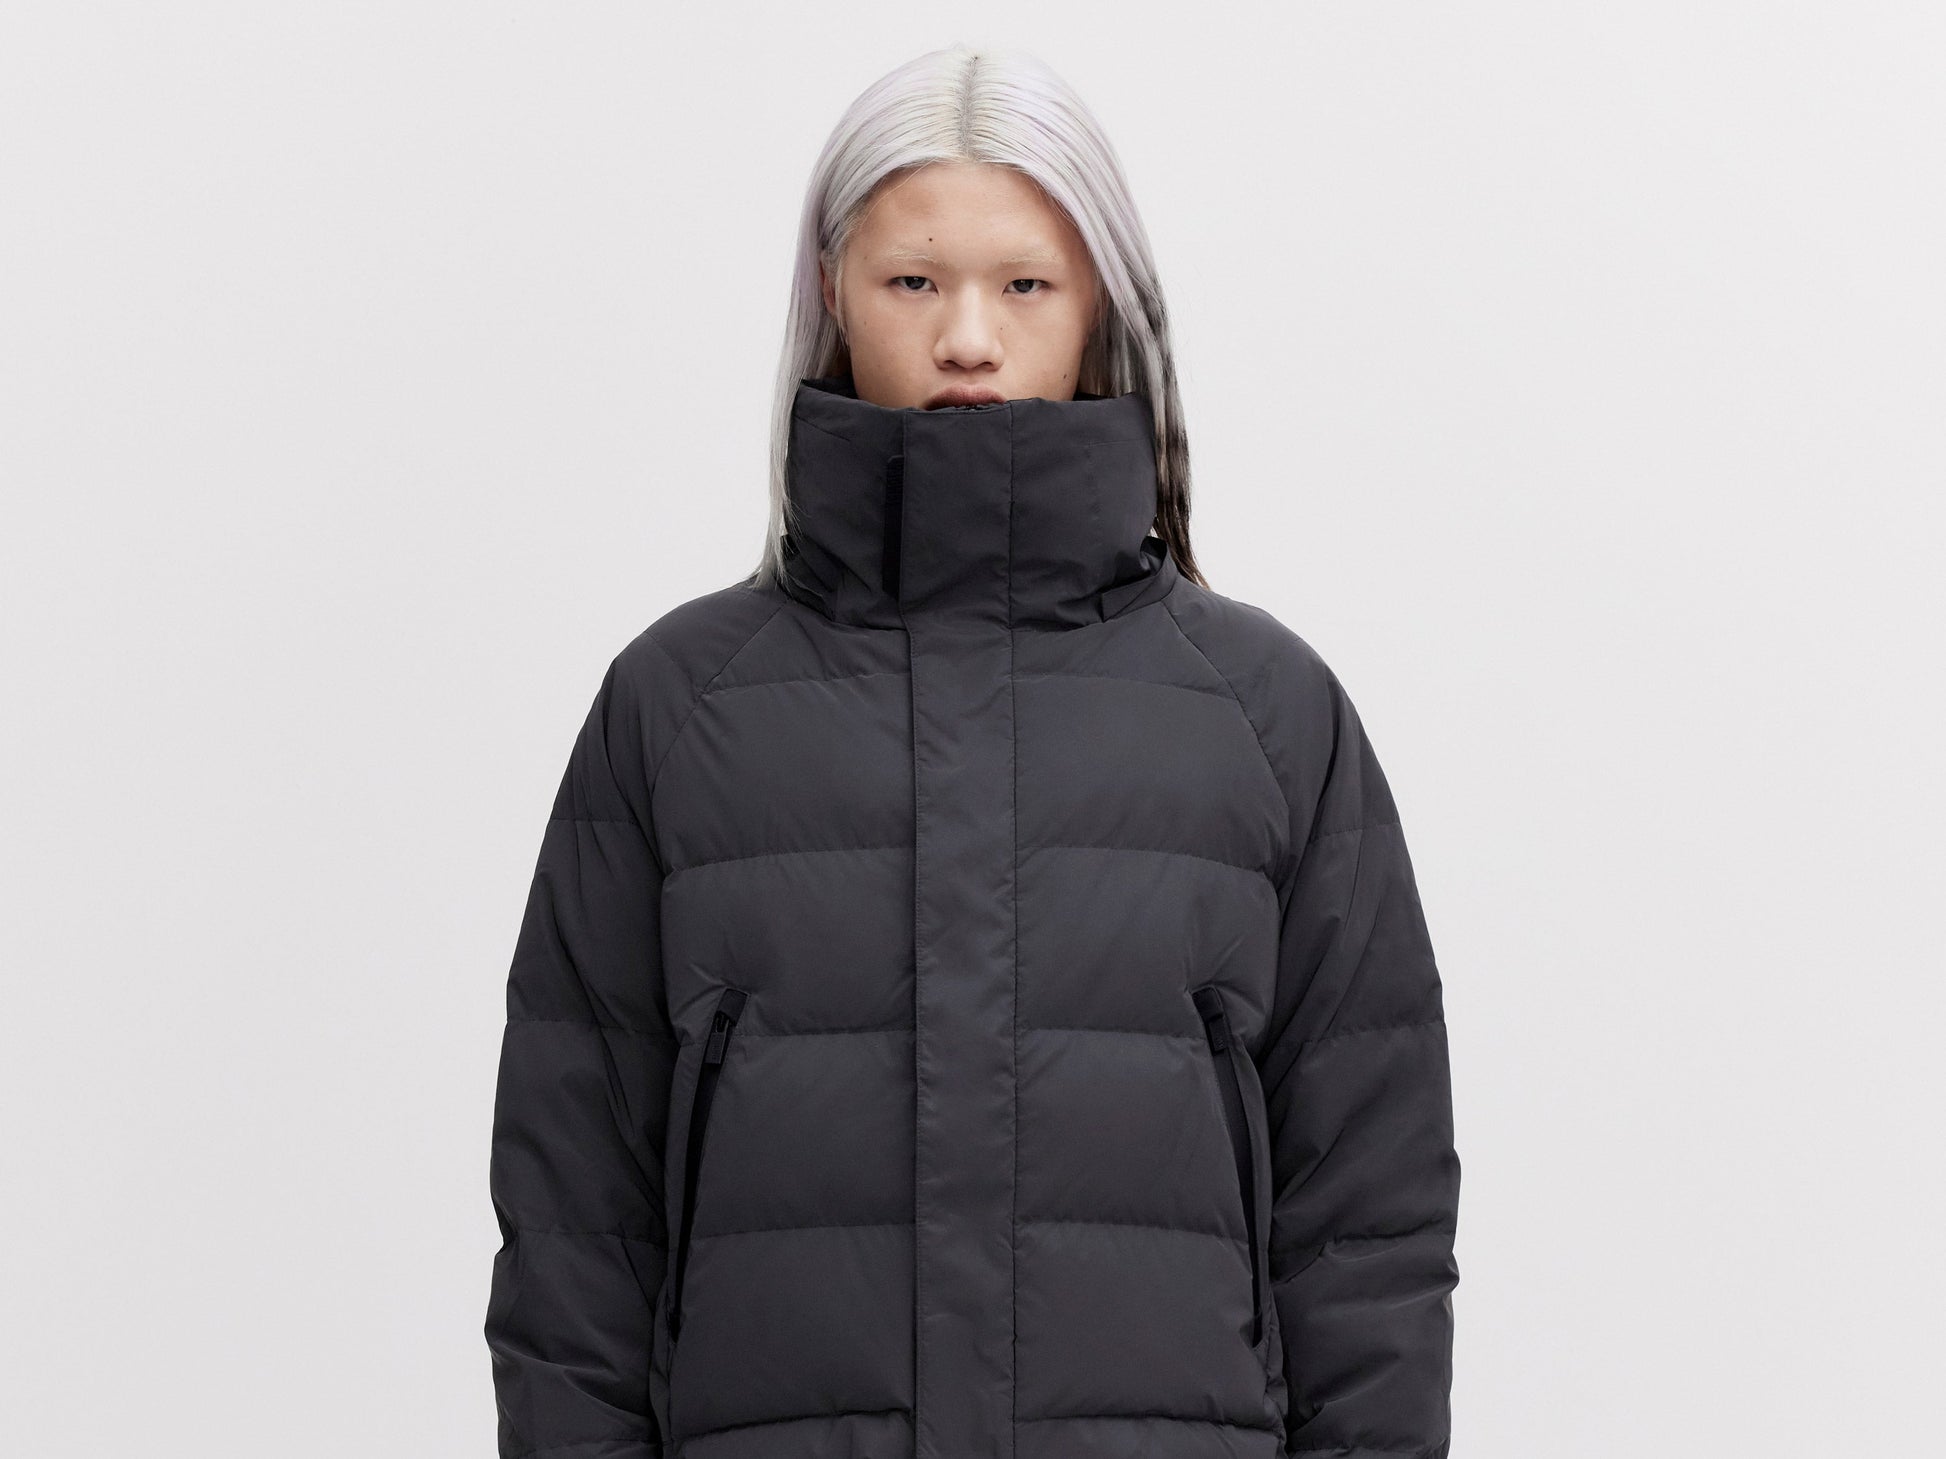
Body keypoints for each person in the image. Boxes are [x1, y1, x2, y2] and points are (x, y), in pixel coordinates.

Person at [484, 41, 1460, 1459]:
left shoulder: (1264, 713)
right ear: (833, 292)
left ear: (1100, 304)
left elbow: (1368, 1222)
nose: (966, 338)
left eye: (1023, 285)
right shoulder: (678, 707)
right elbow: (575, 1222)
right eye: (912, 282)